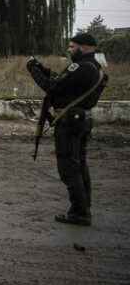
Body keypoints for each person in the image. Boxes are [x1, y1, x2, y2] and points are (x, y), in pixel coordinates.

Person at [26, 33, 108, 226]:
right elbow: (64, 84)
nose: (70, 50)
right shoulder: (93, 67)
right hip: (81, 120)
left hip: (70, 123)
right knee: (79, 164)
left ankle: (80, 213)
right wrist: (43, 69)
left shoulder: (81, 67)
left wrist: (33, 70)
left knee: (68, 168)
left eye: (72, 47)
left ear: (84, 47)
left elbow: (52, 87)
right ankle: (83, 206)